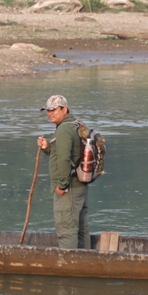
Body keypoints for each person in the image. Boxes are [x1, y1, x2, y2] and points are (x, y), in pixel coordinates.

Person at [36, 94, 89, 250]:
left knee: (66, 229)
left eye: (54, 110)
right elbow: (69, 154)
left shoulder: (64, 129)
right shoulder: (76, 124)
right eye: (48, 110)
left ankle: (69, 265)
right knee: (81, 228)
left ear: (64, 109)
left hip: (70, 187)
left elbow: (65, 160)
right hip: (81, 184)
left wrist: (62, 185)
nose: (50, 113)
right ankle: (85, 263)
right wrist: (48, 148)